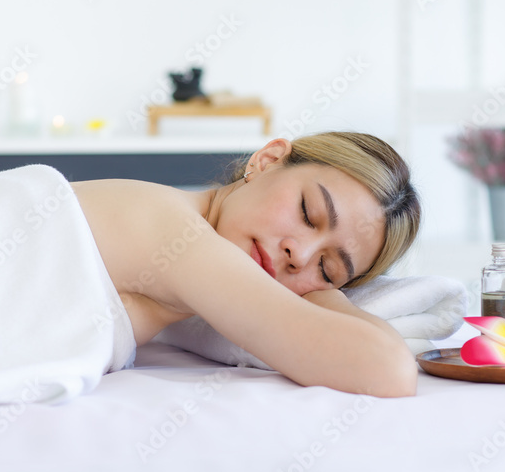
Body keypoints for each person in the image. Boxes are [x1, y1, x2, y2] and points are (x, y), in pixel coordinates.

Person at [72, 131, 422, 397]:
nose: (299, 256)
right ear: (267, 160)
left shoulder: (180, 283)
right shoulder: (176, 234)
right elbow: (389, 369)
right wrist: (325, 297)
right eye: (306, 213)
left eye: (327, 268)